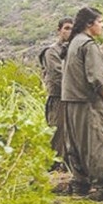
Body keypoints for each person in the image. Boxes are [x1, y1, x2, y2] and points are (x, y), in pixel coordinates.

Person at [62, 7, 103, 201]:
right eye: (100, 22)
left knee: (78, 144)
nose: (102, 25)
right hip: (87, 102)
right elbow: (98, 78)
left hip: (71, 101)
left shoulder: (74, 42)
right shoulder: (88, 45)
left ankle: (80, 183)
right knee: (97, 143)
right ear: (90, 24)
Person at [39, 17, 73, 171]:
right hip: (58, 97)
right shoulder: (51, 52)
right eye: (66, 28)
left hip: (73, 98)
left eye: (72, 28)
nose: (69, 31)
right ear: (59, 30)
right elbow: (58, 75)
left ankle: (67, 164)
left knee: (72, 133)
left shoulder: (74, 50)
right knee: (57, 132)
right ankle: (51, 166)